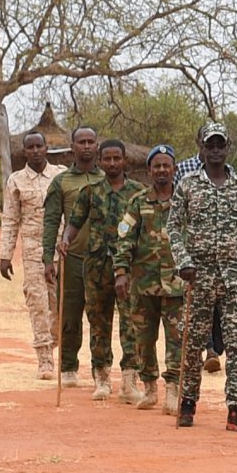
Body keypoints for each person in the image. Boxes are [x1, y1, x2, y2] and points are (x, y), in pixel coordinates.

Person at [169, 121, 237, 431]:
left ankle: (236, 408)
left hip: (233, 276)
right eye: (210, 145)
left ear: (227, 147)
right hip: (199, 275)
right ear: (201, 147)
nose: (216, 151)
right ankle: (188, 402)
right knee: (193, 343)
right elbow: (173, 227)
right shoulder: (188, 184)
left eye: (221, 145)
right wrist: (183, 260)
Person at [62, 138, 140, 401]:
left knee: (131, 324)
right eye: (107, 158)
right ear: (99, 159)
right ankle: (102, 379)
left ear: (125, 160)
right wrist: (65, 240)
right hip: (95, 267)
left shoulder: (138, 193)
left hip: (129, 269)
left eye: (117, 158)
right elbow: (74, 223)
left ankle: (130, 381)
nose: (112, 163)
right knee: (98, 323)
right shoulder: (90, 192)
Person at [114, 145, 187, 413]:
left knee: (177, 340)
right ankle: (150, 387)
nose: (161, 170)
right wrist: (121, 272)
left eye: (166, 165)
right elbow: (124, 239)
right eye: (156, 166)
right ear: (149, 171)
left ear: (174, 169)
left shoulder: (184, 201)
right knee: (144, 340)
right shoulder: (138, 202)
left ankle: (172, 391)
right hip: (143, 285)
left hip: (177, 286)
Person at [41, 126, 107, 391]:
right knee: (69, 316)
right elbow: (51, 221)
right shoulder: (62, 182)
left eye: (92, 141)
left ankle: (100, 370)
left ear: (97, 146)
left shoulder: (107, 179)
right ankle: (68, 367)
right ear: (73, 147)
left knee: (100, 317)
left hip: (103, 260)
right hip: (72, 259)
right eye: (82, 142)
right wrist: (48, 258)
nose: (87, 146)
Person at [0, 129, 57, 381]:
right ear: (24, 152)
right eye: (30, 147)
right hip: (32, 253)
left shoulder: (60, 176)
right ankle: (45, 360)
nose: (35, 151)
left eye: (38, 146)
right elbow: (10, 219)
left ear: (46, 148)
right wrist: (5, 255)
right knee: (38, 305)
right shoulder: (16, 181)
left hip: (60, 253)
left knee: (61, 306)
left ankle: (56, 345)